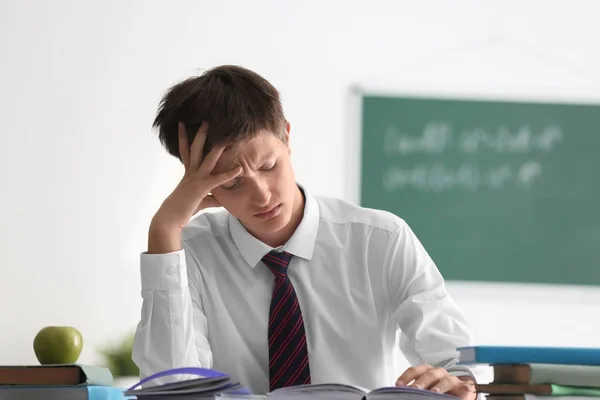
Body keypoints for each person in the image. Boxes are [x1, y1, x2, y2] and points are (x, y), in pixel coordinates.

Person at [132, 65, 478, 398]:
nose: (262, 195)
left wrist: (459, 382)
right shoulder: (189, 252)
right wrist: (164, 229)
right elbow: (172, 389)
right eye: (233, 183)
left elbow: (460, 362)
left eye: (269, 166)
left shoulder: (381, 239)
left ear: (286, 136)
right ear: (197, 184)